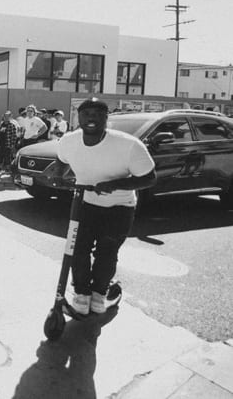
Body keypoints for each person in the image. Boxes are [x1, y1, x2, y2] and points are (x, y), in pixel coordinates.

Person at [55, 97, 156, 315]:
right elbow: (61, 160)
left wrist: (116, 185)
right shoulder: (68, 141)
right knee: (78, 250)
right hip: (86, 203)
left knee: (106, 252)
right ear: (78, 118)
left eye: (97, 114)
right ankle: (82, 297)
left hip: (119, 206)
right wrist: (58, 176)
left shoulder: (128, 145)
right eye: (86, 113)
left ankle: (99, 297)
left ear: (106, 118)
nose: (91, 118)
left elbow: (149, 178)